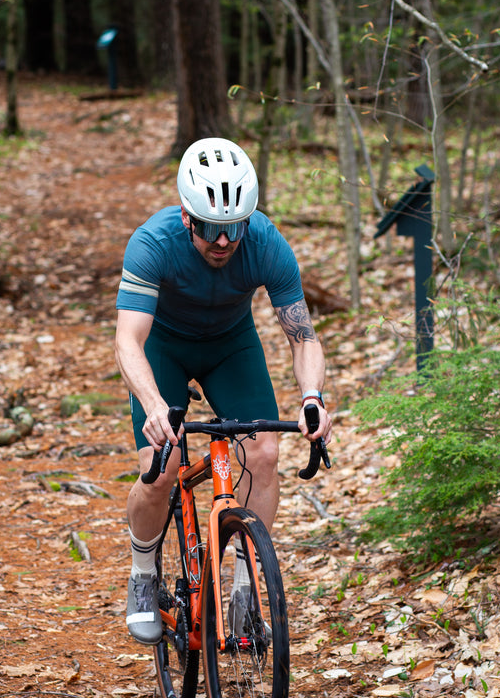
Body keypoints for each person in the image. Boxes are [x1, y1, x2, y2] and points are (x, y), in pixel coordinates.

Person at [114, 137, 332, 645]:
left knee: (265, 452)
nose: (224, 241)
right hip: (164, 348)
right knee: (161, 467)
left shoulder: (265, 242)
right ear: (188, 218)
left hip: (230, 346)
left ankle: (242, 588)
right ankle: (143, 574)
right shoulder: (154, 243)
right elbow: (128, 341)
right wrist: (152, 406)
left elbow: (303, 338)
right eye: (211, 228)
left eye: (235, 227)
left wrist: (313, 396)